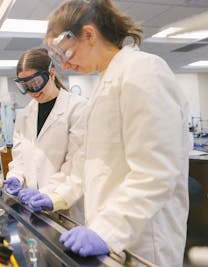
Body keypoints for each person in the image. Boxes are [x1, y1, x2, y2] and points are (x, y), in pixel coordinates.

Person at [43, 0, 190, 266]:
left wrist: (105, 230)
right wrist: (56, 197)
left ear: (89, 34)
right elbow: (94, 164)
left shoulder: (142, 70)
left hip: (144, 240)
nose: (65, 66)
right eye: (58, 59)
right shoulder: (105, 81)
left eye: (67, 54)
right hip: (114, 234)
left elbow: (155, 172)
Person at [3, 47, 86, 222]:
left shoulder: (77, 108)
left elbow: (75, 166)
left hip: (66, 206)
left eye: (36, 82)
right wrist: (14, 178)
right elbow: (19, 160)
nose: (32, 91)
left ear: (52, 73)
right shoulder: (24, 116)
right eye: (24, 86)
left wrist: (49, 195)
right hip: (31, 210)